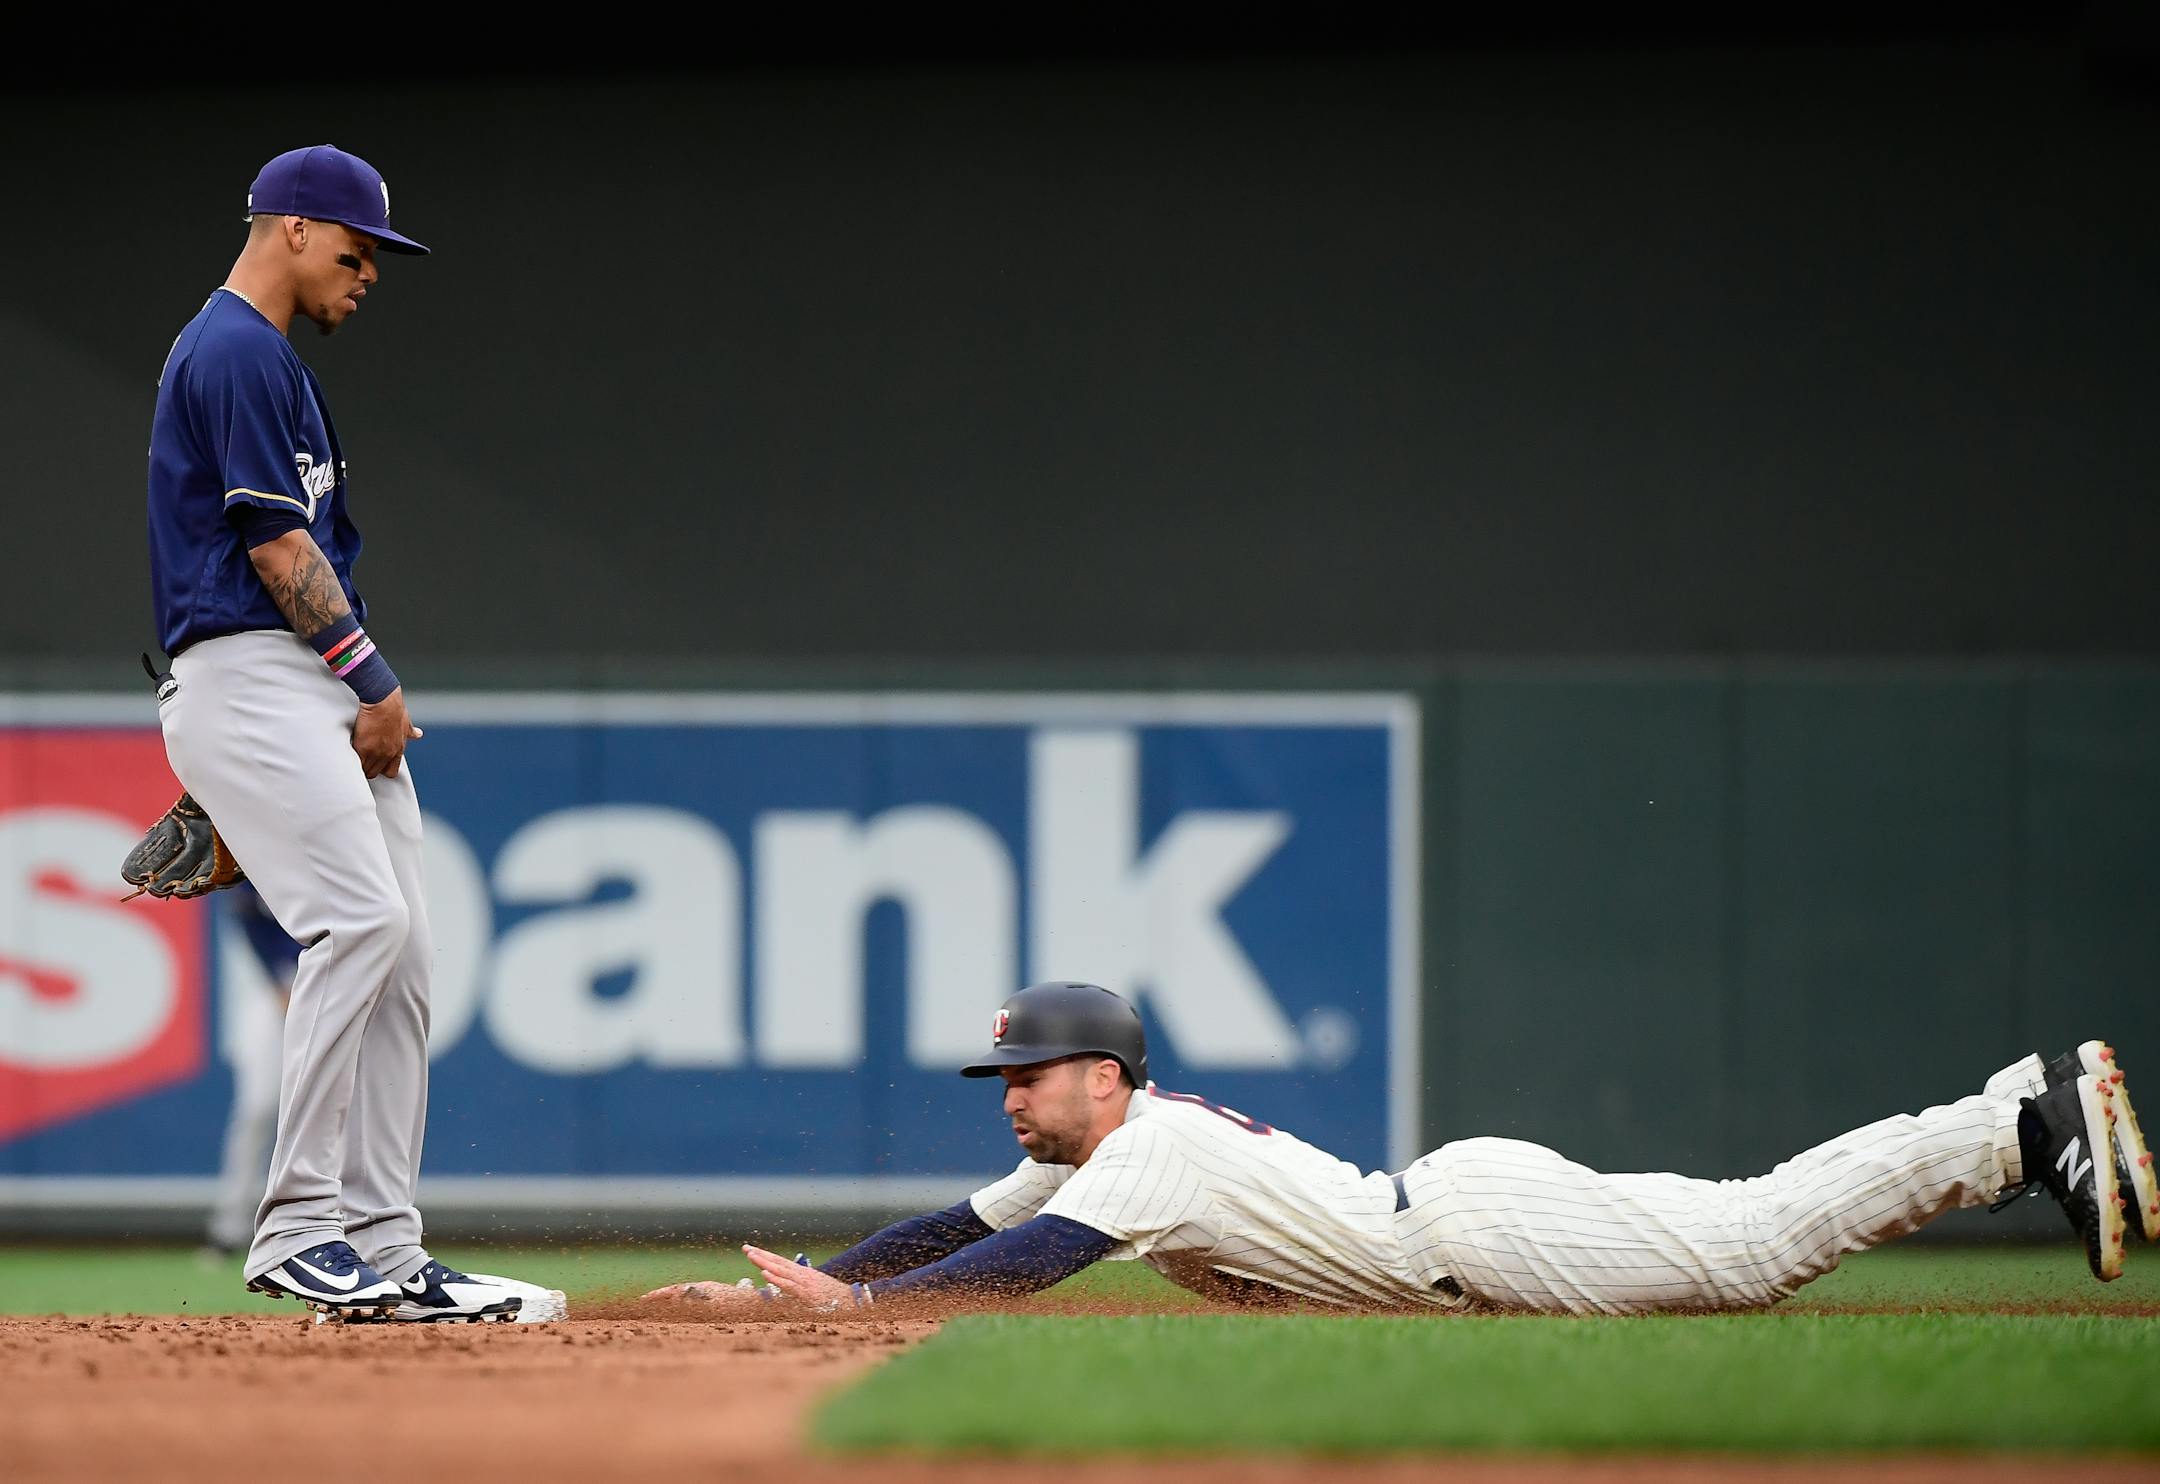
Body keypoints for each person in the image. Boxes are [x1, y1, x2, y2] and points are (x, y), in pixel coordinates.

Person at [647, 981, 2156, 1316]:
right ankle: (2010, 1123)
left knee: (1757, 1246)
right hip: (1464, 1216)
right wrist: (818, 1288)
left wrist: (864, 1316)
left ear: (1102, 1077)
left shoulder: (1142, 1154)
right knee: (1750, 1230)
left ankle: (2015, 1129)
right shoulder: (1102, 1147)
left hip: (1472, 1238)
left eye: (1024, 1075)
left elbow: (1023, 1264)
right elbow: (956, 1224)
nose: (1005, 1097)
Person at [146, 143, 561, 1323]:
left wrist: (353, 690)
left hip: (306, 685)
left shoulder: (271, 363)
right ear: (288, 228)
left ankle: (383, 1242)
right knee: (359, 918)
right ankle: (298, 1226)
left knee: (409, 955)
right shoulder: (230, 349)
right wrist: (370, 680)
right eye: (355, 244)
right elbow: (277, 548)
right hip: (253, 670)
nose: (369, 269)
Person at [200, 883, 299, 1261]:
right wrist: (277, 984)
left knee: (343, 1112)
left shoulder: (339, 843)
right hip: (273, 988)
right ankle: (229, 1229)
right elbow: (245, 912)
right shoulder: (264, 852)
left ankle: (345, 1227)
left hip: (333, 983)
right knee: (257, 1109)